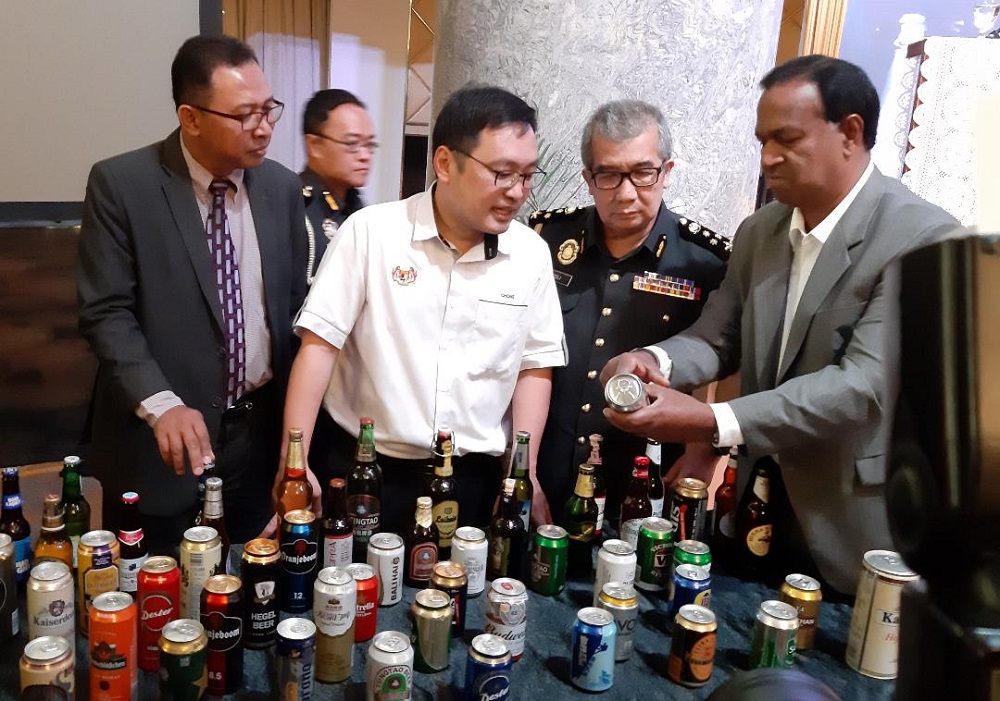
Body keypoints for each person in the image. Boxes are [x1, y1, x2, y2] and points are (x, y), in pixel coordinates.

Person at [599, 55, 961, 594]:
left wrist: (709, 422)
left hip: (850, 524)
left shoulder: (923, 237)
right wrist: (655, 361)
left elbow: (861, 386)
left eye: (786, 139)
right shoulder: (760, 232)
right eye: (762, 140)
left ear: (851, 133)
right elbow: (716, 336)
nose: (768, 157)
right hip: (750, 510)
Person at [277, 85, 566, 535]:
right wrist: (293, 464)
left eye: (528, 175)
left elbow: (535, 365)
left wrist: (521, 474)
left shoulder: (530, 254)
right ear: (446, 163)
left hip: (472, 480)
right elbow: (319, 347)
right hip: (367, 472)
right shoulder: (372, 232)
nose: (517, 192)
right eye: (502, 173)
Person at [77, 35, 307, 551]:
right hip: (161, 441)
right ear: (191, 116)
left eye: (269, 108)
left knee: (252, 582)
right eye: (245, 114)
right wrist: (162, 404)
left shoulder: (282, 189)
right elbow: (106, 312)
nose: (265, 126)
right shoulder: (123, 185)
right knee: (154, 586)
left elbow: (292, 308)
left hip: (256, 436)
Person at [530, 100, 728, 523]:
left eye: (642, 173)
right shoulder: (544, 242)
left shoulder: (704, 261)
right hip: (545, 469)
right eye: (608, 175)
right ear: (588, 178)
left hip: (644, 480)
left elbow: (728, 359)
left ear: (667, 173)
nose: (625, 192)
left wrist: (707, 449)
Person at [300, 88, 375, 285]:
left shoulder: (360, 210)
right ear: (314, 145)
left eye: (369, 145)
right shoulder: (296, 207)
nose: (364, 155)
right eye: (352, 144)